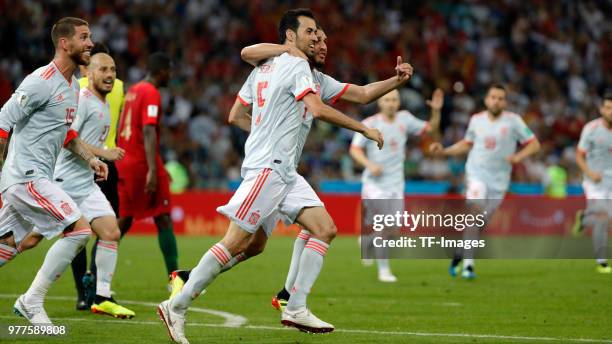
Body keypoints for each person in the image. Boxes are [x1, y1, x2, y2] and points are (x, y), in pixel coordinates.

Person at [157, 9, 383, 343]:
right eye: (310, 32)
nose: (317, 38)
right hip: (269, 168)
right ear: (290, 36)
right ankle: (177, 304)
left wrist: (263, 130)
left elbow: (236, 114)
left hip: (283, 170)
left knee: (319, 230)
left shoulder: (263, 68)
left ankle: (295, 305)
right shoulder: (295, 65)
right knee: (234, 241)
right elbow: (318, 109)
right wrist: (363, 127)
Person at [0, 17, 109, 326]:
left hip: (34, 178)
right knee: (80, 230)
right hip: (27, 176)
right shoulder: (40, 81)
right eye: (84, 37)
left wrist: (90, 158)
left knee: (7, 244)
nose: (90, 43)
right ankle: (31, 301)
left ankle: (30, 300)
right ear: (65, 43)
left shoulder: (73, 87)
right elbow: (3, 119)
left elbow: (66, 135)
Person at [430, 84, 540, 279]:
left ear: (505, 102)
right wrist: (445, 151)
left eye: (500, 98)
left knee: (479, 224)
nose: (496, 101)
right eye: (493, 97)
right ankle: (469, 266)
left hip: (499, 181)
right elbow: (467, 144)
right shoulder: (476, 120)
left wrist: (518, 157)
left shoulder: (513, 121)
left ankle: (460, 254)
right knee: (475, 213)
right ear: (486, 100)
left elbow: (534, 144)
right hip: (476, 175)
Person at [350, 88, 442, 282]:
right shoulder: (370, 124)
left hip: (396, 183)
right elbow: (355, 150)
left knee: (394, 229)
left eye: (394, 100)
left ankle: (367, 240)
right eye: (387, 100)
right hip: (374, 184)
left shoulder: (405, 119)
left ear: (399, 102)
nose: (391, 103)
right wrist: (369, 164)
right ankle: (384, 270)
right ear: (379, 102)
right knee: (385, 225)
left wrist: (436, 111)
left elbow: (430, 129)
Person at [71, 42, 125, 310]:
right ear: (88, 72)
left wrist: (98, 159)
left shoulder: (104, 102)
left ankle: (101, 296)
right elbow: (68, 138)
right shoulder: (81, 98)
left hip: (90, 175)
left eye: (113, 69)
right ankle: (33, 297)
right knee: (32, 238)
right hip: (65, 179)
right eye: (103, 68)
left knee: (110, 231)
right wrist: (101, 154)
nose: (110, 74)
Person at [116, 52, 179, 279]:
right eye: (169, 72)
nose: (170, 76)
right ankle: (174, 278)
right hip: (142, 164)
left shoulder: (132, 91)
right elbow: (148, 129)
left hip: (125, 161)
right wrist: (153, 169)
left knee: (121, 222)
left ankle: (94, 280)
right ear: (161, 71)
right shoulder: (151, 93)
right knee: (163, 217)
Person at [572, 92, 612, 274]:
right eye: (608, 108)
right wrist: (589, 172)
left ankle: (583, 218)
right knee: (604, 217)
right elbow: (579, 155)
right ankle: (602, 262)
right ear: (602, 109)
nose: (611, 112)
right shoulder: (591, 128)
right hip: (594, 181)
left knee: (600, 218)